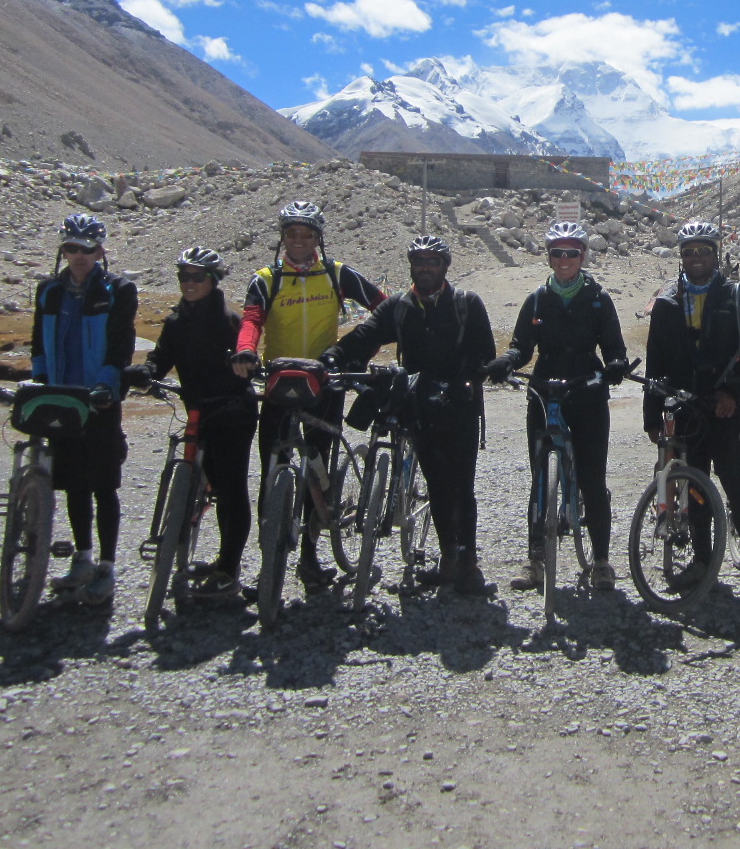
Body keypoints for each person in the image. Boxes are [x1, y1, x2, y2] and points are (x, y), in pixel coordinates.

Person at [326, 234, 496, 596]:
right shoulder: (399, 306)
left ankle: (468, 562)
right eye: (419, 261)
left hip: (460, 409)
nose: (426, 267)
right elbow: (365, 334)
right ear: (412, 266)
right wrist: (333, 358)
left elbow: (485, 353)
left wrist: (474, 375)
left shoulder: (467, 304)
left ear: (445, 266)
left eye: (433, 261)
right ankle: (448, 556)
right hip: (419, 408)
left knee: (461, 486)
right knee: (436, 483)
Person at [230, 202, 386, 591]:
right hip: (279, 385)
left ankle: (311, 555)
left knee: (319, 472)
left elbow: (383, 308)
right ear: (282, 237)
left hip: (326, 385)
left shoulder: (336, 274)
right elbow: (251, 319)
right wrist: (246, 350)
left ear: (319, 238)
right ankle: (272, 560)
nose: (298, 241)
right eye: (291, 234)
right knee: (272, 474)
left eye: (307, 234)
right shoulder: (267, 278)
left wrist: (356, 351)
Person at [485, 222, 630, 593]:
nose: (564, 260)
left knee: (593, 481)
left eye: (572, 253)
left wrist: (615, 364)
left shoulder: (599, 297)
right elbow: (522, 345)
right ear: (548, 256)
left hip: (587, 391)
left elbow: (613, 346)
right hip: (544, 389)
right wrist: (508, 361)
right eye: (557, 253)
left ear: (583, 256)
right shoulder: (537, 298)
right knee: (538, 481)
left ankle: (600, 561)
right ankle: (534, 559)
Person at [643, 221, 740, 606]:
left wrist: (735, 391)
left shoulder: (736, 296)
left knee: (735, 486)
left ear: (716, 254)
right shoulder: (666, 302)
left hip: (724, 408)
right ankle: (702, 561)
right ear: (680, 257)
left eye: (703, 251)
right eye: (689, 252)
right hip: (685, 408)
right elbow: (656, 362)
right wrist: (653, 415)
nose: (696, 258)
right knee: (696, 488)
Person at [123, 247, 257, 599]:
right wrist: (148, 371)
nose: (189, 283)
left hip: (232, 412)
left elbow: (246, 356)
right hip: (199, 411)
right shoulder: (175, 321)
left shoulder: (229, 320)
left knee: (230, 491)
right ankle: (201, 556)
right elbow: (162, 356)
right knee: (212, 482)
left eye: (198, 277)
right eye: (184, 276)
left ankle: (229, 569)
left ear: (213, 281)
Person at [33, 214, 138, 606]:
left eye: (87, 249)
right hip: (63, 395)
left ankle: (107, 567)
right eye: (71, 248)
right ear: (63, 250)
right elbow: (38, 344)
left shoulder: (118, 290)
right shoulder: (49, 291)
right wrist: (38, 383)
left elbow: (122, 342)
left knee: (104, 483)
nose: (79, 256)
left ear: (100, 251)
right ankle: (83, 557)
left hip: (99, 400)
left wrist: (109, 385)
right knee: (74, 482)